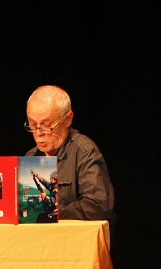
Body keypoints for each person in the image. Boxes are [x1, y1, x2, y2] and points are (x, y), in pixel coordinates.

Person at [24, 85, 115, 221]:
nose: (38, 133)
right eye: (32, 124)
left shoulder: (84, 152)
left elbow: (98, 206)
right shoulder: (31, 157)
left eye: (46, 125)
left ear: (68, 119)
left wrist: (54, 212)